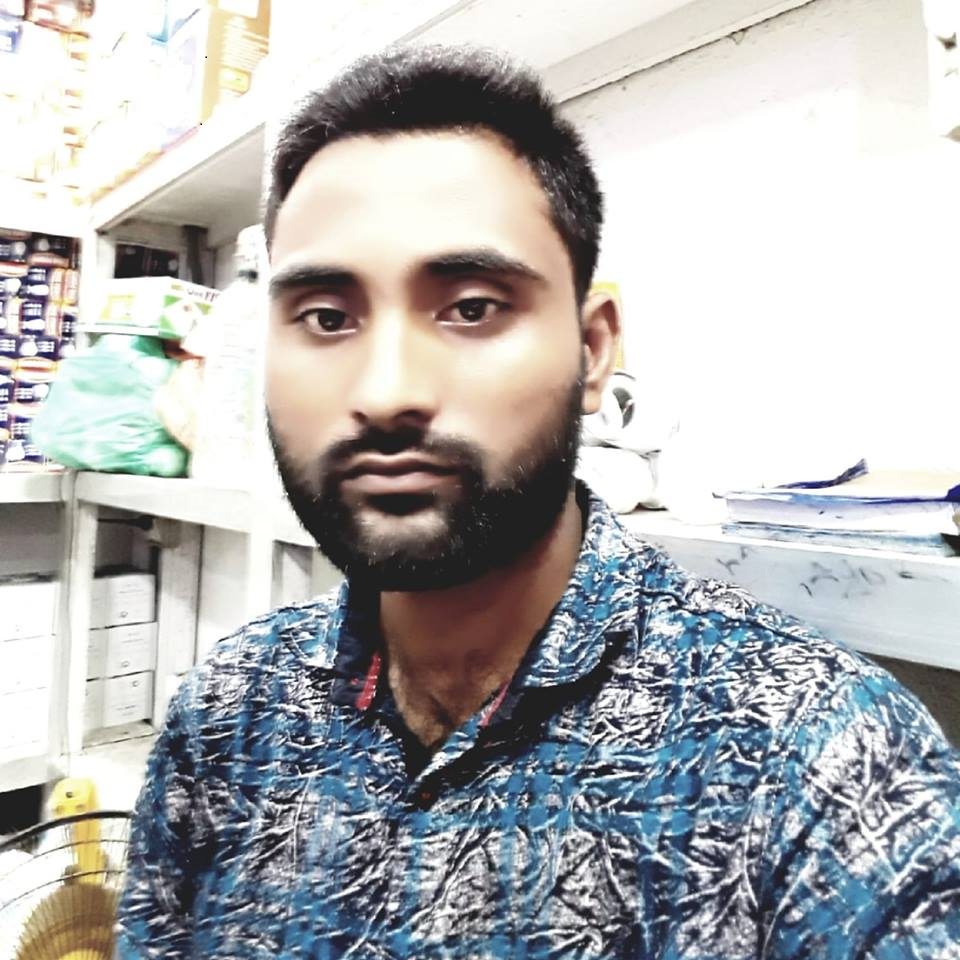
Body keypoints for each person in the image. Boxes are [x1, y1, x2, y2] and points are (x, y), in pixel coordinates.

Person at [117, 45, 960, 959]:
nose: (388, 391)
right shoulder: (230, 715)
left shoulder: (822, 765)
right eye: (327, 317)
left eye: (472, 307)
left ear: (592, 353)